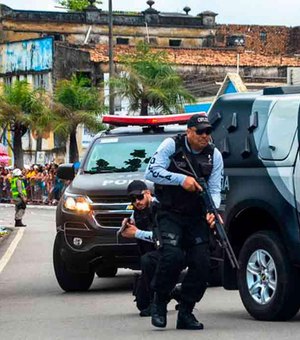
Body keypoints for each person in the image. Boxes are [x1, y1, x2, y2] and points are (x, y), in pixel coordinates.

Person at [144, 113, 223, 330]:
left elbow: (215, 189)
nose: (205, 136)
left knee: (203, 263)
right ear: (189, 131)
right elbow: (150, 172)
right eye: (200, 132)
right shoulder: (172, 145)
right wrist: (181, 180)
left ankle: (186, 311)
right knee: (173, 256)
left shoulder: (214, 155)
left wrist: (212, 211)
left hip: (196, 215)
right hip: (170, 212)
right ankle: (159, 301)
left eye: (208, 132)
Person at [121, 180, 158, 317]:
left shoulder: (159, 208)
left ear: (148, 193)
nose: (137, 202)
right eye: (132, 199)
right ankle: (172, 292)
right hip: (150, 256)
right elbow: (132, 226)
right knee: (142, 304)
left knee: (148, 260)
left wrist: (136, 233)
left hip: (168, 255)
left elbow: (161, 238)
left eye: (140, 197)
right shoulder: (136, 211)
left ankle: (159, 302)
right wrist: (127, 226)